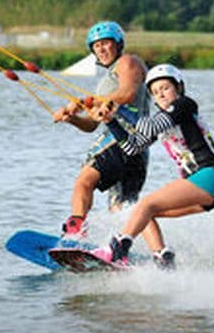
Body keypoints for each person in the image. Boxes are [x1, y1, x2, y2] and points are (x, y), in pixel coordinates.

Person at [88, 64, 214, 269]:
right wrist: (111, 122)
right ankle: (163, 259)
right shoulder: (160, 121)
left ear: (178, 88)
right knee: (144, 213)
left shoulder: (184, 105)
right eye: (155, 92)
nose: (160, 94)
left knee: (146, 205)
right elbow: (131, 148)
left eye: (165, 88)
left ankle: (117, 249)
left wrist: (118, 108)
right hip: (206, 187)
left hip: (209, 175)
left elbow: (149, 126)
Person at [53, 21, 150, 239]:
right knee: (123, 210)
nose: (101, 49)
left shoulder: (128, 62)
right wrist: (72, 118)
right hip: (138, 150)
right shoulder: (104, 85)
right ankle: (152, 253)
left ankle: (75, 235)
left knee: (84, 181)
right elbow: (92, 125)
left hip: (122, 137)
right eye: (96, 46)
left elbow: (127, 94)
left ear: (118, 44)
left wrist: (85, 101)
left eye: (105, 43)